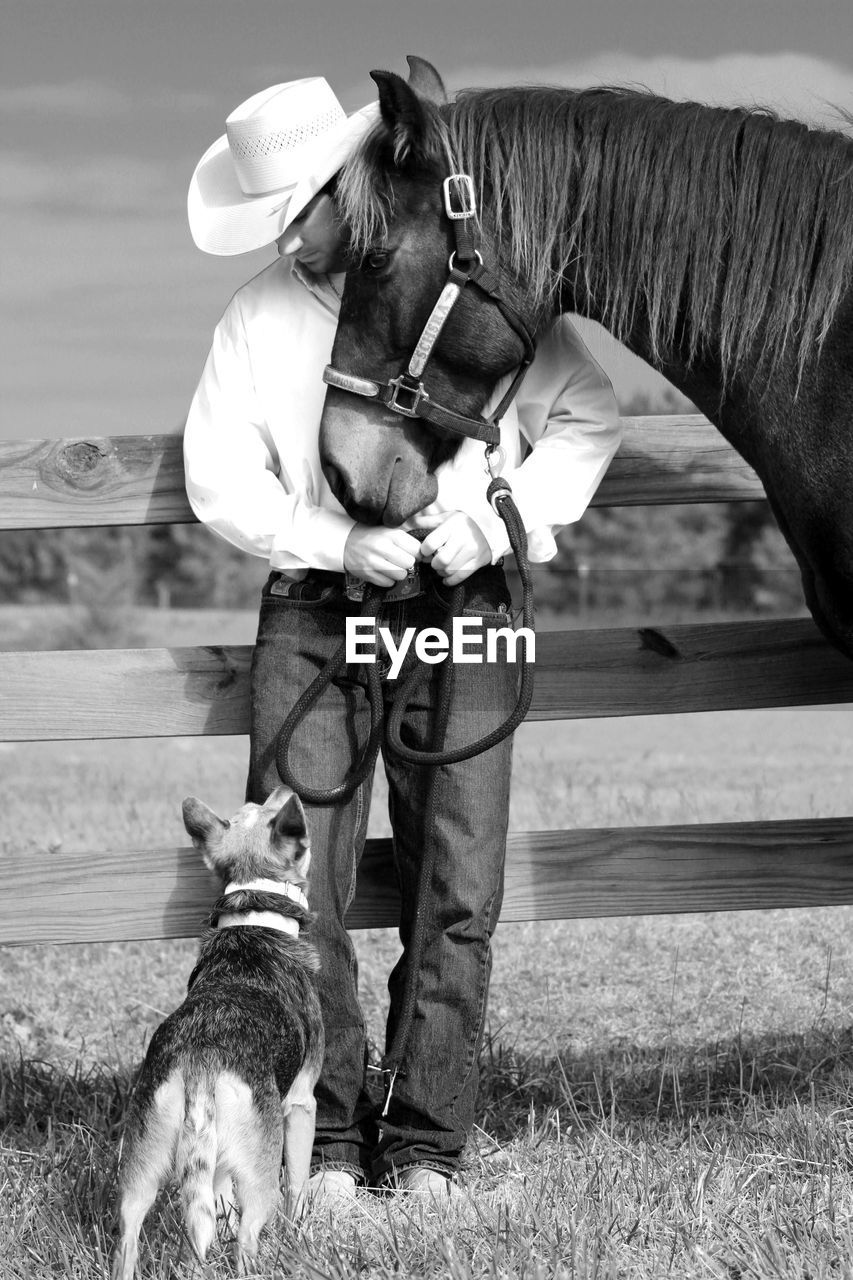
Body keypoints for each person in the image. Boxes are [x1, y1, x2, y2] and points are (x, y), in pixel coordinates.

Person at [183, 75, 622, 1201]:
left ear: (350, 183)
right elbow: (217, 476)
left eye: (300, 213)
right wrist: (331, 539)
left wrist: (497, 522)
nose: (287, 242)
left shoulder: (465, 274)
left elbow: (587, 410)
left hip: (463, 611)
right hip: (318, 612)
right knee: (298, 886)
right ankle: (322, 1137)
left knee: (456, 881)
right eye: (269, 223)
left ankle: (425, 1139)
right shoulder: (258, 320)